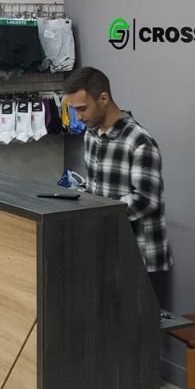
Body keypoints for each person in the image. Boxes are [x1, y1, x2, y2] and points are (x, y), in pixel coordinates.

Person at [63, 67, 174, 307]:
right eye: (75, 110)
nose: (78, 117)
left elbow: (146, 199)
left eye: (82, 109)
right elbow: (95, 187)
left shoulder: (139, 141)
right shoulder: (91, 135)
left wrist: (99, 211)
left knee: (140, 330)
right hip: (107, 254)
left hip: (141, 260)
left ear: (103, 98)